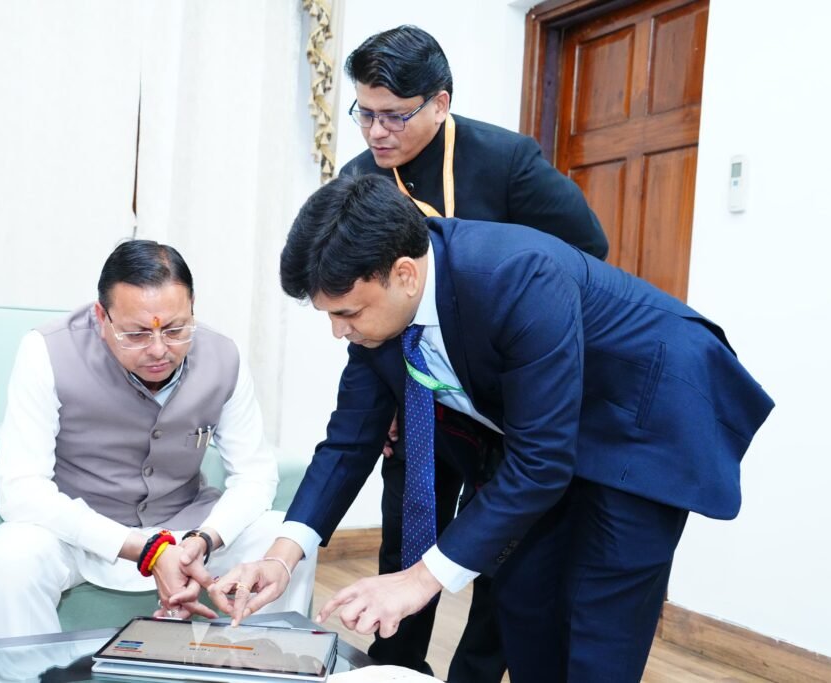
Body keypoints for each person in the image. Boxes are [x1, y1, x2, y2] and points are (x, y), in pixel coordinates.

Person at [209, 174, 774, 683]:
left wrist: (419, 579)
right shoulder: (379, 325)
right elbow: (348, 442)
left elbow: (541, 462)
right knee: (523, 597)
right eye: (329, 315)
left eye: (347, 313)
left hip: (643, 413)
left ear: (404, 274)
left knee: (598, 620)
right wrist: (281, 556)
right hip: (552, 431)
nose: (339, 332)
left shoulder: (515, 276)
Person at [338, 24, 609, 681]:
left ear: (440, 102)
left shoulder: (505, 160)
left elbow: (586, 253)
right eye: (364, 113)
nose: (376, 132)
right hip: (418, 392)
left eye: (394, 115)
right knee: (409, 535)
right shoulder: (358, 181)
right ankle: (396, 667)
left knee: (503, 548)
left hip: (504, 395)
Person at [0, 239, 315, 638]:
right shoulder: (46, 351)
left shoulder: (224, 356)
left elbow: (255, 476)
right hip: (82, 534)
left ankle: (268, 665)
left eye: (175, 330)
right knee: (12, 556)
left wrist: (204, 541)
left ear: (192, 308)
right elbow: (22, 490)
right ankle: (29, 670)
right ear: (101, 316)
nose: (159, 350)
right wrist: (149, 551)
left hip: (188, 530)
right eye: (136, 334)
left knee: (283, 538)